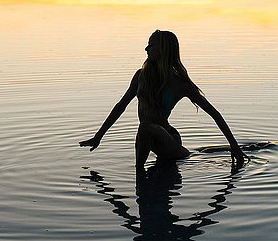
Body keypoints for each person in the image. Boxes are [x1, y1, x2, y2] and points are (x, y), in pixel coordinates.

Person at [79, 30, 249, 169]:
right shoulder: (141, 77)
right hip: (149, 137)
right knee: (144, 134)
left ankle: (143, 174)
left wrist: (234, 146)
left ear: (163, 49)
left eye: (151, 45)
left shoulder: (180, 84)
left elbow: (215, 114)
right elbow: (120, 106)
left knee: (145, 128)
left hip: (169, 138)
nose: (146, 49)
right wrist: (98, 137)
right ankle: (141, 179)